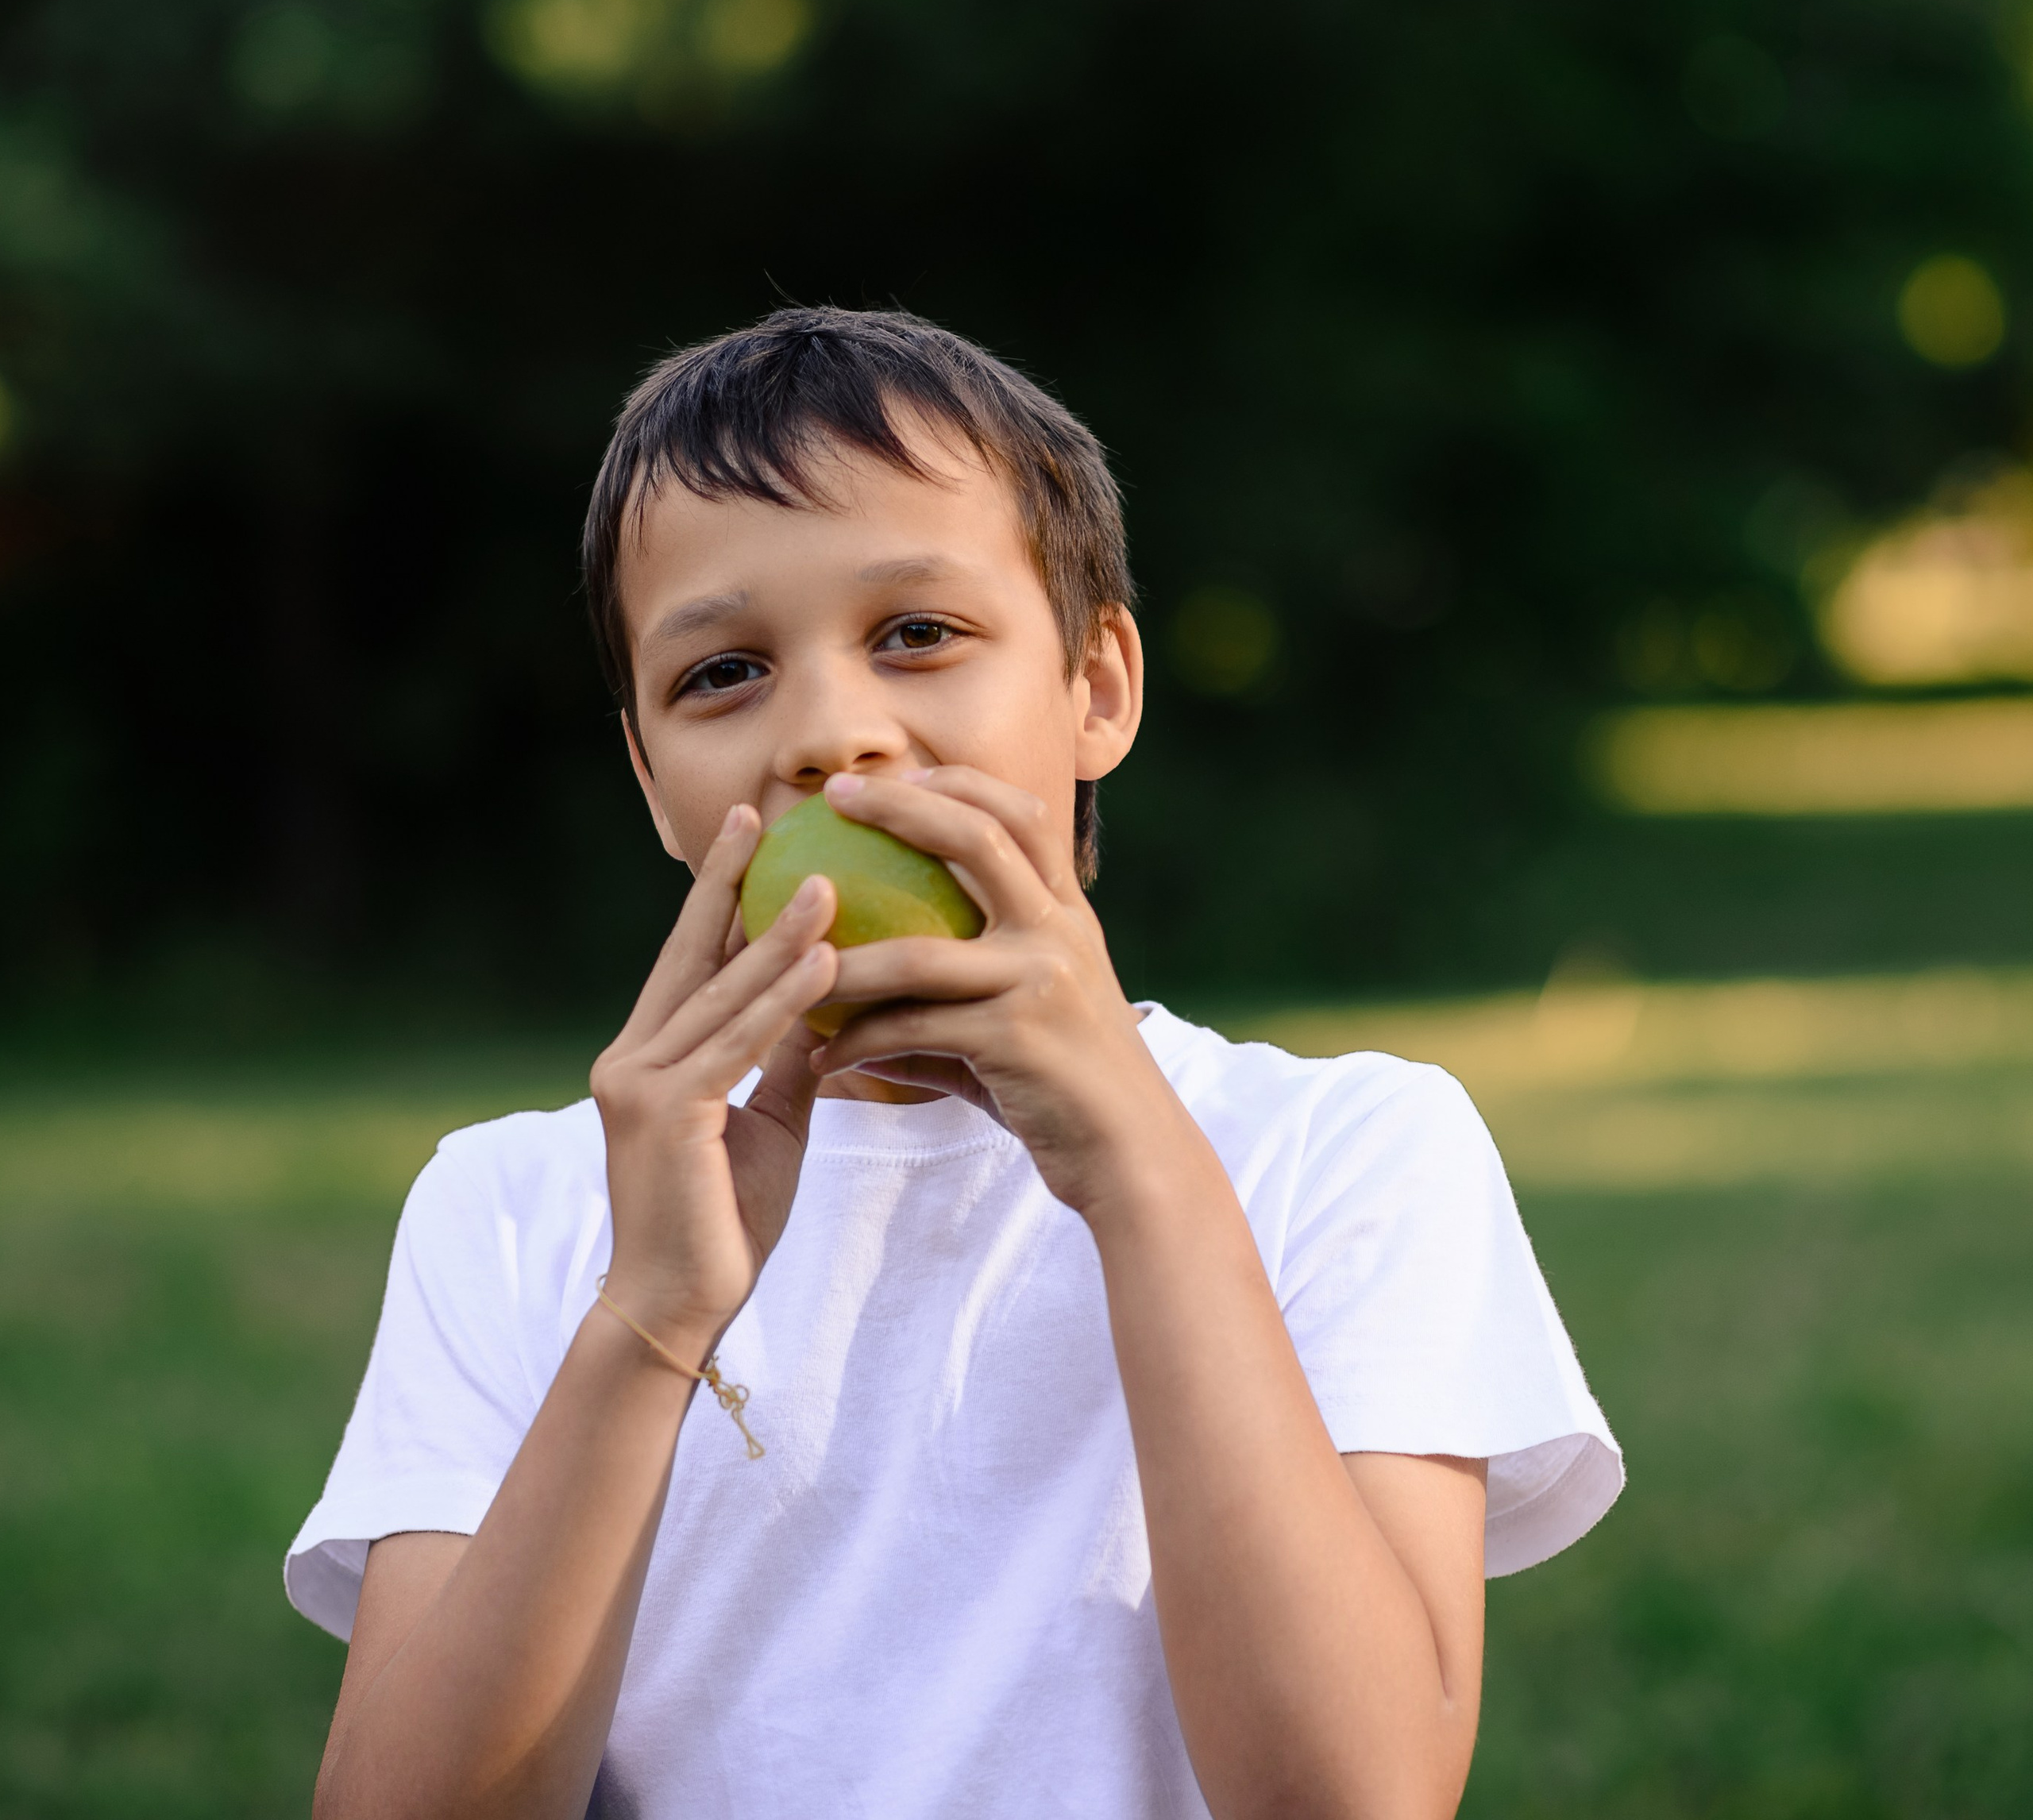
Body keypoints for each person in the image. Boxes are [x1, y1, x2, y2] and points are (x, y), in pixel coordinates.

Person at [288, 307, 1622, 1820]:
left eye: (916, 634)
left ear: (1097, 689)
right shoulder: (516, 1206)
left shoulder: (1347, 1148)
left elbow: (1355, 1796)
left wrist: (1139, 1174)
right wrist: (649, 1317)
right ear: (652, 779)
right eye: (723, 672)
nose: (829, 735)